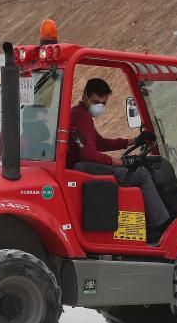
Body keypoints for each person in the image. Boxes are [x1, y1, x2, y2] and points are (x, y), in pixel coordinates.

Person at [67, 77, 170, 242]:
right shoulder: (82, 117)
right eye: (96, 101)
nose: (99, 106)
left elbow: (100, 143)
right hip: (84, 170)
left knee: (132, 165)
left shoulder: (77, 114)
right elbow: (89, 154)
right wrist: (123, 162)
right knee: (141, 173)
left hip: (81, 169)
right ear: (85, 95)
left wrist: (134, 141)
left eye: (103, 103)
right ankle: (162, 226)